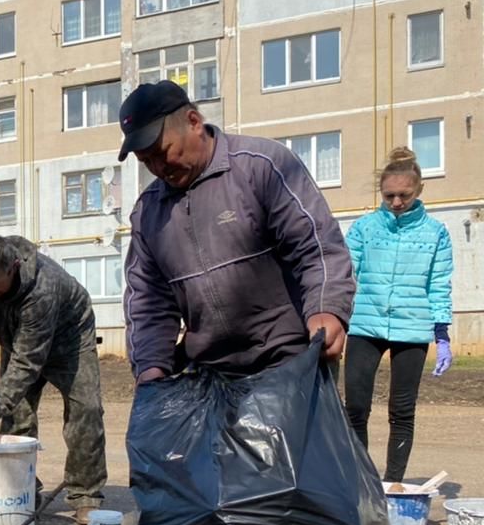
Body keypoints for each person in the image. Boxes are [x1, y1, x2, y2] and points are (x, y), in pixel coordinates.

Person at [120, 80, 355, 383]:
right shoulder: (148, 213)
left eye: (162, 152)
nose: (158, 167)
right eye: (146, 161)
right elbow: (148, 299)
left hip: (290, 360)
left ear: (193, 122)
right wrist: (151, 366)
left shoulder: (261, 166)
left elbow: (317, 246)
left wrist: (327, 309)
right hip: (211, 373)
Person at [0, 232, 108, 524]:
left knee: (85, 410)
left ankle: (86, 494)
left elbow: (28, 362)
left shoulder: (43, 287)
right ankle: (22, 490)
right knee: (18, 417)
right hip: (16, 339)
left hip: (69, 340)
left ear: (12, 267)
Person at [342, 146, 454, 483]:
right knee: (356, 409)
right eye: (389, 195)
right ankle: (361, 482)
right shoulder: (364, 228)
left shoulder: (436, 233)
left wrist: (442, 332)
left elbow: (439, 283)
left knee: (402, 412)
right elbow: (346, 274)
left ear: (419, 190)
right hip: (365, 325)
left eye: (403, 195)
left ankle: (394, 484)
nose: (395, 202)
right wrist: (334, 314)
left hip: (413, 328)